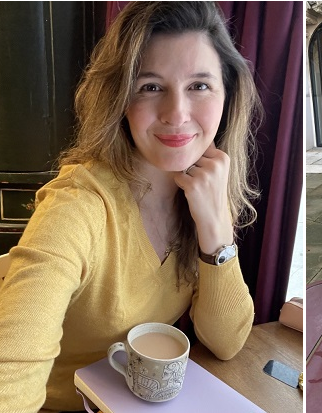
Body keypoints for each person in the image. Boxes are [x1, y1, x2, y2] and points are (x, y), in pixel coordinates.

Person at [0, 2, 261, 411]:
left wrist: (215, 230)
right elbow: (10, 373)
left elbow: (227, 342)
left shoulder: (203, 195)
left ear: (228, 94)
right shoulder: (77, 208)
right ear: (121, 98)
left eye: (199, 85)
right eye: (150, 86)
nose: (177, 113)